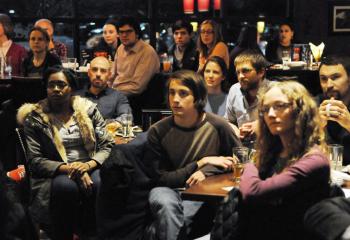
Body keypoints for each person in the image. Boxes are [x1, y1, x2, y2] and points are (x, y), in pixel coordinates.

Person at [17, 66, 114, 240]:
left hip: (91, 164)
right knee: (65, 187)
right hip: (57, 170)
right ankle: (63, 235)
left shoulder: (89, 111)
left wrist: (86, 166)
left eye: (61, 84)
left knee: (99, 183)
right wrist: (70, 169)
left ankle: (92, 234)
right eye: (51, 85)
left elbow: (107, 145)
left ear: (71, 88)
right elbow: (35, 160)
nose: (55, 89)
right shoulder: (35, 118)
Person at [145, 70, 241, 240]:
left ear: (197, 97)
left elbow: (239, 161)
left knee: (174, 223)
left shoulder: (218, 125)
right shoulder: (157, 131)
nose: (175, 99)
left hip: (202, 191)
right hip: (166, 189)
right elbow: (161, 179)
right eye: (172, 92)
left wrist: (206, 171)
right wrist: (199, 163)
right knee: (167, 207)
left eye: (183, 94)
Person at [238, 81, 330, 240]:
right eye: (265, 109)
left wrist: (251, 163)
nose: (271, 114)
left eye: (279, 106)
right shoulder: (273, 153)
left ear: (300, 110)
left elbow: (253, 192)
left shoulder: (315, 160)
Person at [224, 50, 269, 143]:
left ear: (261, 72)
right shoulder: (235, 89)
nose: (240, 76)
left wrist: (261, 126)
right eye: (238, 72)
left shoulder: (275, 91)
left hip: (269, 148)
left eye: (245, 71)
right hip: (242, 147)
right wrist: (236, 132)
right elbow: (228, 121)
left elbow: (289, 123)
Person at [111, 16, 159, 96]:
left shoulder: (147, 52)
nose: (124, 35)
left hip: (136, 99)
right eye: (121, 32)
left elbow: (137, 87)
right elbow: (112, 75)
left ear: (137, 33)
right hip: (116, 94)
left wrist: (112, 93)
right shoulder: (120, 48)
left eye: (128, 31)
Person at [74, 56, 132, 124]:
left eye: (103, 71)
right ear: (89, 72)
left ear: (109, 75)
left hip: (108, 132)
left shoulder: (118, 97)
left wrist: (105, 125)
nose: (98, 74)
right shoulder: (76, 96)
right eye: (94, 69)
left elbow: (127, 117)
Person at [318, 55, 350, 166]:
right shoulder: (313, 105)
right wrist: (317, 127)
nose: (329, 85)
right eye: (323, 79)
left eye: (335, 77)